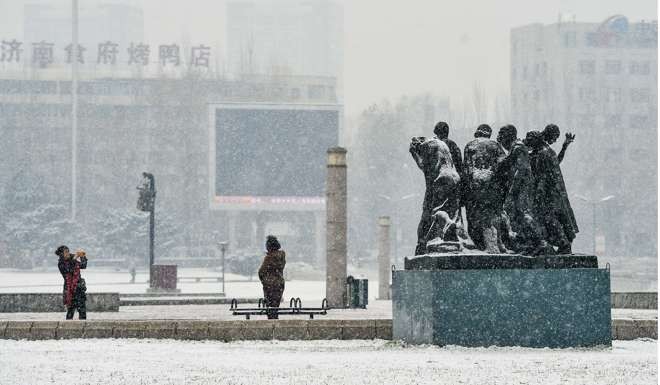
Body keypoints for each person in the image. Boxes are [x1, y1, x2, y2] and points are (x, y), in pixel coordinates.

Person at [496, 125, 550, 255]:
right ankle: (528, 243)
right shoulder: (515, 148)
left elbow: (522, 169)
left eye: (501, 134)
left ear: (509, 135)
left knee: (524, 214)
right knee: (517, 215)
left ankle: (540, 242)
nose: (500, 137)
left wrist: (513, 189)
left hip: (522, 188)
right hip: (520, 187)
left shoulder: (518, 148)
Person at [527, 126, 579, 254]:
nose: (555, 141)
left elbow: (544, 174)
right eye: (555, 138)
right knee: (549, 219)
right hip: (550, 194)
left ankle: (563, 243)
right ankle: (561, 243)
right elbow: (553, 164)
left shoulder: (544, 152)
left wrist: (539, 193)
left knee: (548, 219)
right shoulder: (542, 151)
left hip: (548, 195)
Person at [409, 129, 461, 255]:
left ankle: (449, 224)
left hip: (442, 178)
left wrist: (414, 154)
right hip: (455, 177)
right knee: (453, 210)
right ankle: (455, 232)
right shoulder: (442, 144)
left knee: (437, 210)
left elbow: (425, 169)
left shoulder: (426, 146)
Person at [462, 124, 507, 253]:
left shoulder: (469, 145)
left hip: (475, 184)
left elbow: (467, 168)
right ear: (489, 133)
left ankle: (481, 245)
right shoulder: (495, 145)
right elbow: (503, 163)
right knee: (493, 214)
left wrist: (467, 189)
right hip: (492, 184)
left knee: (475, 216)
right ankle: (496, 244)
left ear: (477, 133)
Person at [56, 245, 88, 320]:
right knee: (70, 312)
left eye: (68, 251)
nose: (68, 253)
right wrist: (75, 258)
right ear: (61, 254)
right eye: (65, 252)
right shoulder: (61, 264)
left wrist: (83, 256)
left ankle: (83, 327)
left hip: (79, 288)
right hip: (69, 290)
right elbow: (69, 269)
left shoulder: (73, 260)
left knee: (82, 310)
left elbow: (83, 265)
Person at [258, 235, 286, 319]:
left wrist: (264, 280)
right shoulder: (281, 257)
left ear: (269, 246)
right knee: (275, 306)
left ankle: (271, 325)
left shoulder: (269, 257)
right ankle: (275, 322)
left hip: (270, 285)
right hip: (279, 283)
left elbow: (261, 272)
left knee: (270, 307)